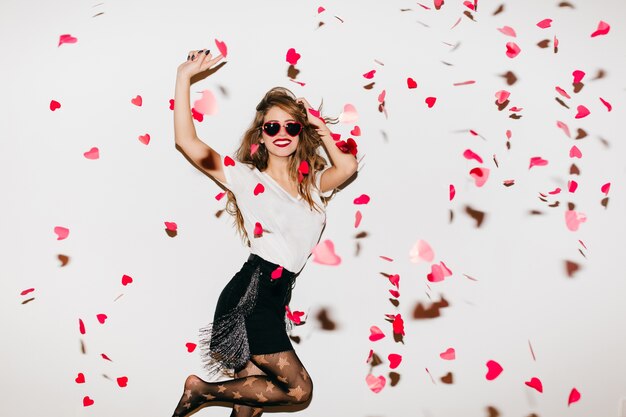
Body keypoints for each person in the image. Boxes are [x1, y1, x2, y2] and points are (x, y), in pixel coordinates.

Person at [171, 48, 358, 417]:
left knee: (248, 409)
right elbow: (188, 143)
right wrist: (183, 78)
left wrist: (321, 128)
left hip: (274, 297)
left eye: (292, 125)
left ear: (301, 131)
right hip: (251, 294)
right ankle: (202, 390)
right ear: (262, 133)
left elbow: (347, 166)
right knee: (299, 390)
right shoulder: (245, 178)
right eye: (273, 126)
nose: (282, 133)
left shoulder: (313, 184)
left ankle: (204, 393)